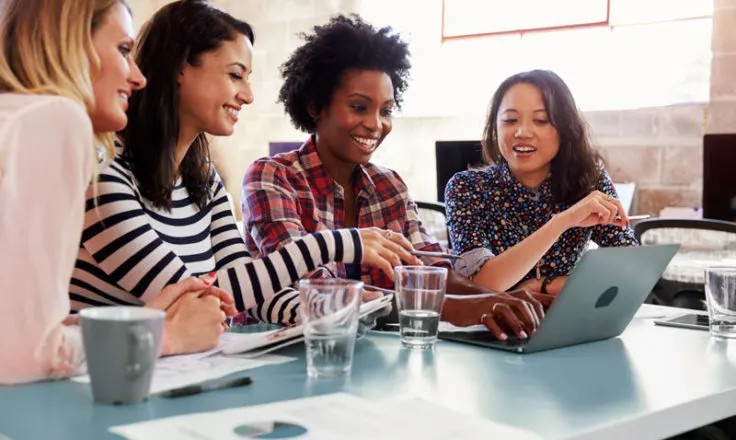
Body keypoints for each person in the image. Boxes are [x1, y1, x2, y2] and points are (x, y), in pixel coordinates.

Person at [69, 0, 416, 335]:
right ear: (179, 67)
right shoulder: (102, 175)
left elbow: (248, 285)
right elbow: (193, 300)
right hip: (98, 382)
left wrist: (328, 308)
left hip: (171, 374)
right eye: (235, 75)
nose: (248, 95)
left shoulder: (202, 178)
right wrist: (338, 243)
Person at [242, 14, 544, 340]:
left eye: (385, 110)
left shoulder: (389, 186)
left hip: (369, 361)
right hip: (284, 359)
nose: (376, 124)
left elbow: (428, 269)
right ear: (316, 105)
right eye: (359, 107)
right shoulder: (272, 178)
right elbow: (319, 292)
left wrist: (496, 299)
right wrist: (456, 308)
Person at [0, 0, 241, 384]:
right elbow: (26, 354)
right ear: (71, 44)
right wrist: (164, 335)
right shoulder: (53, 120)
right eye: (124, 50)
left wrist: (139, 322)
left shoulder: (18, 115)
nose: (138, 77)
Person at [445, 70, 638, 297]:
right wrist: (562, 222)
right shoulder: (466, 188)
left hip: (572, 322)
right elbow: (480, 284)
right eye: (510, 120)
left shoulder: (590, 182)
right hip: (494, 326)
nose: (522, 132)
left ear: (565, 128)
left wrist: (542, 285)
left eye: (541, 120)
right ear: (495, 127)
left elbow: (632, 273)